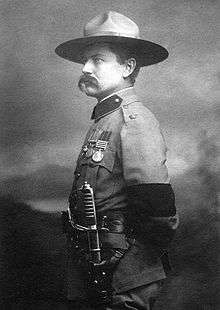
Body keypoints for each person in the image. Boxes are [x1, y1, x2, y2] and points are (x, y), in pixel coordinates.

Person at [56, 11, 179, 310]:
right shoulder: (105, 120)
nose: (85, 67)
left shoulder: (133, 121)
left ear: (128, 66)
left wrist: (126, 273)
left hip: (121, 276)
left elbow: (159, 215)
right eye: (85, 60)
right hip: (94, 264)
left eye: (97, 59)